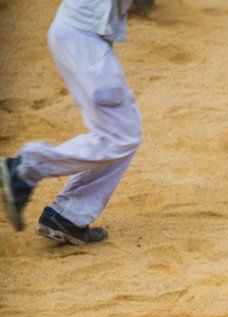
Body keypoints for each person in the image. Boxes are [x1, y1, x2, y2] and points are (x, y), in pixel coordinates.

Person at [1, 0, 142, 244]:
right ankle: (25, 169)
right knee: (120, 134)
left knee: (116, 133)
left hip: (76, 35)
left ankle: (67, 216)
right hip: (84, 40)